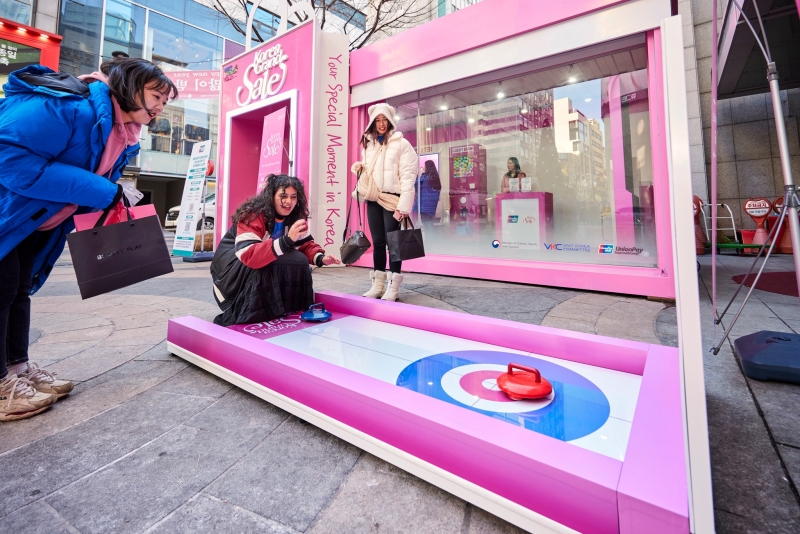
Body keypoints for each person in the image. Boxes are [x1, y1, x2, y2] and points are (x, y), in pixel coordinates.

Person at [0, 58, 178, 421]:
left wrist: (113, 194)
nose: (161, 106)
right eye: (156, 95)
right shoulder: (68, 106)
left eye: (166, 100)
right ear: (129, 86)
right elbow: (9, 159)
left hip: (29, 221)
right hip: (8, 213)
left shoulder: (120, 131)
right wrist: (104, 191)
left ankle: (16, 372)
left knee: (17, 291)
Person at [211, 174, 340, 326]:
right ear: (271, 196)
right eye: (283, 196)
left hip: (253, 263)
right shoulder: (253, 214)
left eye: (293, 197)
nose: (288, 202)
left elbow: (304, 245)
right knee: (267, 261)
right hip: (231, 273)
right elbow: (249, 255)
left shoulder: (293, 216)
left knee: (299, 259)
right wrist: (286, 240)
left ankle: (288, 310)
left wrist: (321, 258)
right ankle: (250, 314)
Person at [350, 103, 418, 301]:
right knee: (378, 243)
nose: (381, 124)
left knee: (394, 243)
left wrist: (404, 206)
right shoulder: (369, 145)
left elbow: (408, 176)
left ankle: (393, 287)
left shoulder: (402, 144)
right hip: (374, 198)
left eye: (384, 120)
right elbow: (371, 170)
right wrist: (361, 167)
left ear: (390, 121)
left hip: (393, 200)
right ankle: (378, 285)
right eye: (377, 120)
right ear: (372, 122)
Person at [417, 160, 442, 224]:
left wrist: (421, 174)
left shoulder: (425, 178)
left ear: (427, 167)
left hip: (425, 208)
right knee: (429, 226)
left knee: (427, 227)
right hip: (431, 208)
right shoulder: (435, 177)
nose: (423, 168)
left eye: (424, 166)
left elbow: (416, 184)